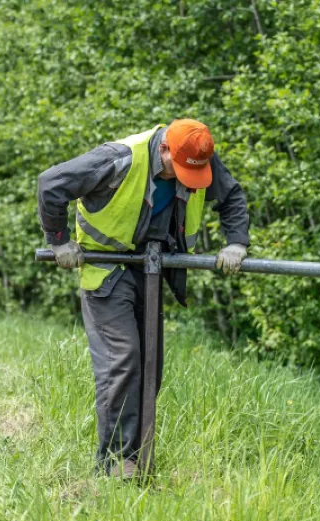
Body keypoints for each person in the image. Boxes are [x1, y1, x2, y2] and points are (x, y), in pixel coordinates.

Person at [37, 119, 250, 478]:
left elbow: (230, 197)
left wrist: (236, 242)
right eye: (178, 169)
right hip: (107, 267)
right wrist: (59, 240)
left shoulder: (197, 156)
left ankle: (135, 459)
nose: (186, 178)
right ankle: (114, 463)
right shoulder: (119, 159)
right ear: (165, 148)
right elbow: (51, 183)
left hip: (150, 268)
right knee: (124, 358)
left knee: (151, 364)